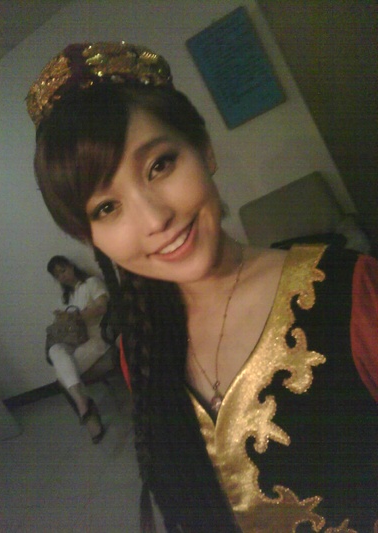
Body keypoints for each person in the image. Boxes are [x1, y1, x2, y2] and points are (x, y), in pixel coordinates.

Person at [27, 42, 378, 531]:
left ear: (204, 149)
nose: (155, 219)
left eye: (159, 165)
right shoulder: (140, 348)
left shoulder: (352, 292)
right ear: (90, 238)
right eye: (107, 208)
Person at [46, 255, 110, 444]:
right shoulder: (65, 298)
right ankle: (83, 403)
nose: (63, 276)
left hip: (97, 337)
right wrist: (62, 318)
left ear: (71, 266)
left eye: (63, 270)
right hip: (75, 341)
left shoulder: (92, 283)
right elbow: (67, 324)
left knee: (63, 377)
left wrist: (76, 316)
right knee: (55, 349)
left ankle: (87, 414)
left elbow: (103, 308)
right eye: (58, 275)